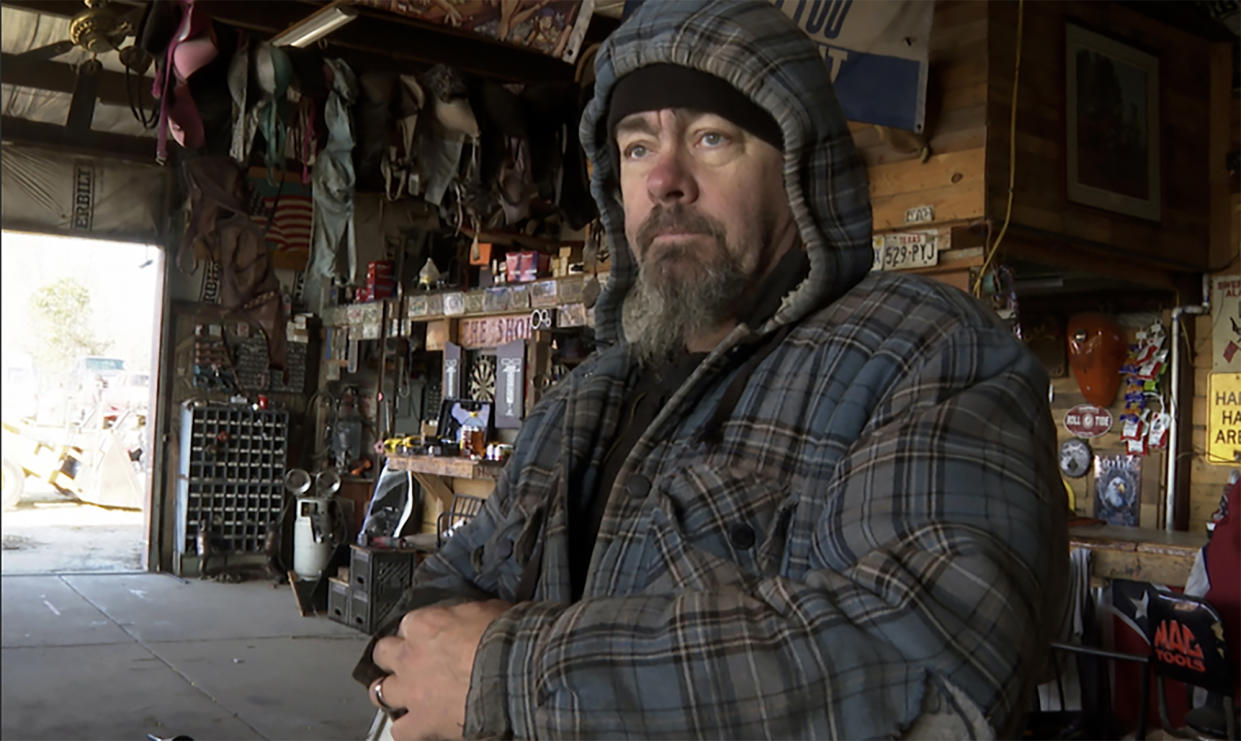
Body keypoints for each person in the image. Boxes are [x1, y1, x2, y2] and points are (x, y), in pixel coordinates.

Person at [355, 1, 1069, 738]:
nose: (665, 178)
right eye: (636, 147)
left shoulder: (920, 352)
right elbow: (460, 575)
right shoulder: (584, 399)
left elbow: (926, 659)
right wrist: (414, 657)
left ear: (797, 170)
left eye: (710, 138)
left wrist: (509, 674)